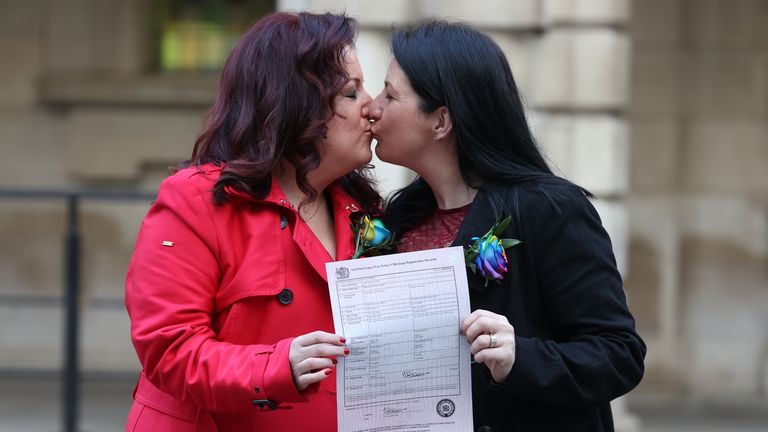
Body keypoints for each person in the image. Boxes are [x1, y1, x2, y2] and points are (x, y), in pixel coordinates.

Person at [369, 21, 646, 432]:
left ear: (441, 121)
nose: (373, 107)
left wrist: (520, 358)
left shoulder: (549, 209)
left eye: (390, 95)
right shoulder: (397, 219)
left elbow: (619, 354)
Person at [124, 12, 379, 431]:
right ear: (299, 103)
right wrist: (276, 366)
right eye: (352, 93)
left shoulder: (365, 211)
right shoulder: (195, 199)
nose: (371, 107)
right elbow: (170, 348)